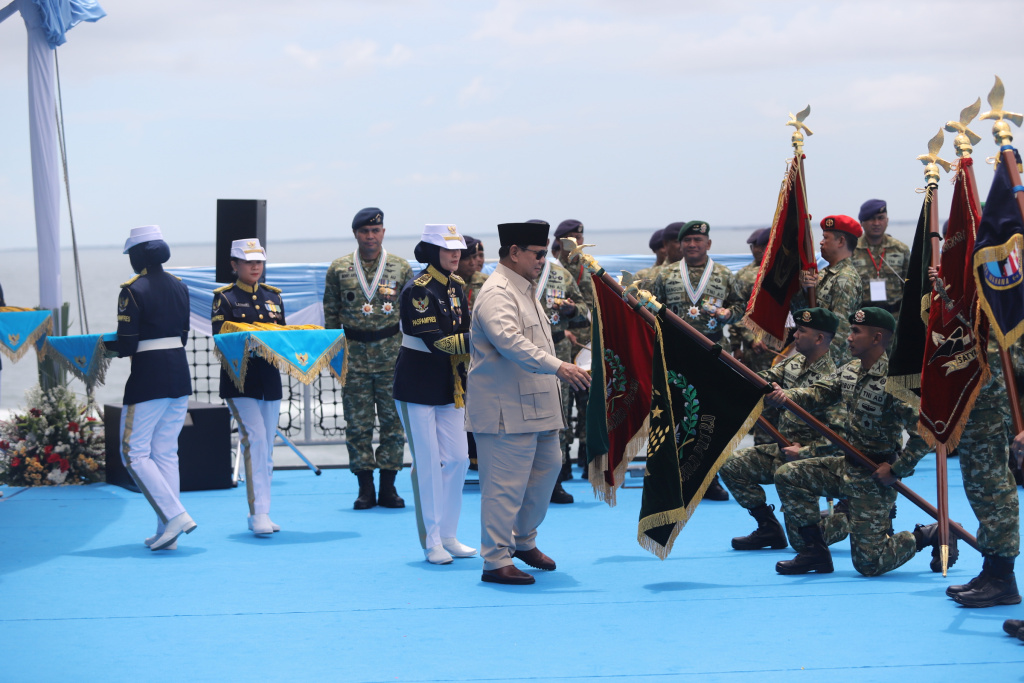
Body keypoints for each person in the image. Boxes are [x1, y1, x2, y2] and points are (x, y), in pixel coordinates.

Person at [767, 308, 948, 577]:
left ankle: (928, 534)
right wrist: (785, 396)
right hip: (846, 465)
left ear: (877, 338)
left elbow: (926, 433)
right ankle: (815, 553)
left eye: (855, 331)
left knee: (869, 565)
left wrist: (896, 470)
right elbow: (817, 393)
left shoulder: (894, 380)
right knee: (788, 474)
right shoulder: (849, 371)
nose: (848, 337)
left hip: (874, 475)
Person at [466, 221, 592, 585]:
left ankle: (523, 541)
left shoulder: (524, 288)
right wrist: (559, 367)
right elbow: (509, 340)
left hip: (536, 405)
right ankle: (495, 560)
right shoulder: (497, 292)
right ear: (514, 252)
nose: (542, 260)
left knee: (546, 473)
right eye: (537, 254)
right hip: (505, 409)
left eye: (544, 254)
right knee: (503, 487)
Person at [719, 308, 845, 551]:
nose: (794, 335)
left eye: (802, 331)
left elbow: (840, 437)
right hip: (784, 452)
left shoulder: (834, 377)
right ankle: (768, 529)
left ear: (819, 338)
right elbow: (763, 379)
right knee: (731, 465)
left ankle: (854, 518)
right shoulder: (794, 363)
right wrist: (729, 372)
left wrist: (805, 453)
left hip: (814, 462)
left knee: (801, 543)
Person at [392, 224, 477, 565]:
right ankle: (432, 541)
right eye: (447, 249)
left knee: (458, 459)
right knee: (427, 464)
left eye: (458, 249)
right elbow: (437, 342)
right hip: (417, 384)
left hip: (449, 383)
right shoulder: (419, 290)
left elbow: (464, 329)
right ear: (430, 251)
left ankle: (449, 534)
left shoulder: (457, 285)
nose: (456, 254)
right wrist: (484, 340)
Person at [324, 208, 413, 510]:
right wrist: (333, 355)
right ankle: (365, 488)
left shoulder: (401, 267)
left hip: (392, 357)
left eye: (376, 231)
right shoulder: (339, 268)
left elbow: (411, 315)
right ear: (356, 234)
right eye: (365, 231)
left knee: (393, 424)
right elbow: (331, 314)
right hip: (353, 358)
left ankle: (389, 487)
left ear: (383, 232)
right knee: (357, 425)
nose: (370, 236)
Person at [114, 226, 196, 551]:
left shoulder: (132, 290)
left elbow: (127, 345)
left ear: (138, 255)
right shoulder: (180, 286)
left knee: (133, 453)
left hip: (149, 377)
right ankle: (167, 530)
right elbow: (184, 334)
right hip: (179, 373)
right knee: (165, 452)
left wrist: (99, 348)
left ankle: (174, 515)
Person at [651, 220, 745, 501]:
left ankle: (708, 479)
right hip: (676, 353)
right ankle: (676, 478)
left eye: (698, 240)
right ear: (680, 245)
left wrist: (729, 314)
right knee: (676, 414)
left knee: (710, 415)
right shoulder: (665, 274)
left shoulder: (725, 275)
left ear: (708, 244)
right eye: (687, 240)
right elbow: (650, 310)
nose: (692, 245)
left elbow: (741, 306)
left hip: (713, 353)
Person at [211, 238, 285, 537]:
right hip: (240, 379)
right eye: (249, 262)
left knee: (266, 446)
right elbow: (220, 338)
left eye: (259, 262)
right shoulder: (225, 299)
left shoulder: (274, 297)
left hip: (270, 379)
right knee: (254, 441)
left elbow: (282, 336)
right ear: (234, 265)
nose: (255, 267)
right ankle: (259, 513)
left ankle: (262, 510)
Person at [554, 219, 595, 475]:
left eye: (578, 237)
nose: (575, 242)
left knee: (588, 400)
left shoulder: (591, 268)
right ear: (558, 242)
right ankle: (562, 459)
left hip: (587, 341)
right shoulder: (551, 270)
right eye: (569, 237)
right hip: (559, 342)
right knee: (561, 400)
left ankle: (587, 454)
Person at [793, 215, 863, 366]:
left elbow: (841, 332)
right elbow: (802, 314)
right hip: (816, 355)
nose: (821, 242)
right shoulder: (824, 273)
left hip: (832, 364)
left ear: (841, 241)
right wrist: (803, 290)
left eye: (826, 237)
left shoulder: (845, 278)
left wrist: (822, 365)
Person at [455, 235, 487, 471]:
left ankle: (480, 458)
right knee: (456, 411)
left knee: (482, 410)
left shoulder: (487, 284)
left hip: (480, 358)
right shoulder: (447, 284)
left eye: (477, 257)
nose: (475, 262)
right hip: (453, 356)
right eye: (469, 257)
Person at [851, 199, 910, 316]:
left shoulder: (900, 249)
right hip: (862, 318)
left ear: (887, 220)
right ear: (861, 222)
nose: (876, 223)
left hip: (894, 317)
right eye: (871, 219)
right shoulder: (851, 250)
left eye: (881, 218)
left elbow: (909, 285)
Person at [728, 227, 773, 375]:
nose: (758, 250)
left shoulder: (784, 272)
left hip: (785, 344)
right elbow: (736, 312)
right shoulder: (743, 276)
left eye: (762, 246)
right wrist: (736, 346)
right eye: (754, 246)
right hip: (755, 346)